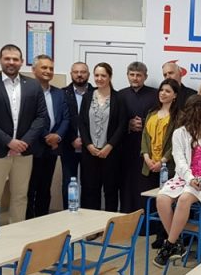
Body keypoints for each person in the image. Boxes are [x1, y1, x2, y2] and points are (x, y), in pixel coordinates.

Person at [154, 95, 201, 267]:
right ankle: (176, 243)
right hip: (185, 177)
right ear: (197, 112)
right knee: (161, 198)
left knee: (184, 199)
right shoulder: (179, 133)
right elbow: (179, 161)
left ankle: (169, 245)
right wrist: (189, 178)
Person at [0, 44, 48, 224]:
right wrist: (9, 142)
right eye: (7, 58)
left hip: (24, 151)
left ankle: (17, 234)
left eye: (15, 59)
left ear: (21, 62)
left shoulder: (33, 85)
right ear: (0, 60)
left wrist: (23, 142)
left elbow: (41, 117)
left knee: (20, 196)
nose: (11, 62)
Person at [26, 55, 69, 218]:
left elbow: (66, 118)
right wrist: (47, 137)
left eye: (51, 68)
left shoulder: (59, 93)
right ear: (34, 70)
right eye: (44, 67)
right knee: (30, 188)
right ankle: (29, 222)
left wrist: (57, 136)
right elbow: (30, 119)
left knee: (45, 187)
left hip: (52, 148)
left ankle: (42, 220)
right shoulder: (27, 92)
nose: (48, 71)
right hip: (33, 147)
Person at [78, 63, 126, 211]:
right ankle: (91, 223)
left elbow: (122, 125)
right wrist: (88, 145)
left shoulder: (119, 98)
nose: (99, 78)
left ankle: (110, 223)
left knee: (111, 191)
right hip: (90, 153)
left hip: (111, 153)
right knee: (89, 191)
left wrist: (109, 146)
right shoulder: (87, 97)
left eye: (103, 75)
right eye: (97, 75)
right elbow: (82, 123)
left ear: (110, 77)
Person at [141, 79, 180, 249]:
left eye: (168, 91)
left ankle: (168, 237)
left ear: (175, 95)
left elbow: (176, 144)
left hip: (168, 166)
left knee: (167, 201)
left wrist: (162, 161)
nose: (163, 93)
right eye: (162, 90)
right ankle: (157, 233)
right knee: (154, 201)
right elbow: (145, 136)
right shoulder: (152, 113)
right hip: (150, 164)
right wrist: (146, 157)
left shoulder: (179, 116)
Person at [118, 61, 158, 213]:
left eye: (139, 75)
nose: (135, 78)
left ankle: (147, 222)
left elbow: (161, 117)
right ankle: (127, 219)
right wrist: (128, 125)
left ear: (145, 77)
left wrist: (144, 122)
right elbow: (114, 121)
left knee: (146, 186)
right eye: (132, 75)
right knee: (126, 185)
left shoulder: (155, 95)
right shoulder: (120, 95)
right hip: (125, 148)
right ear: (127, 75)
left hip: (148, 150)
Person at [61, 62, 93, 208]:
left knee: (89, 184)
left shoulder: (97, 93)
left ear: (88, 74)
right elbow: (61, 119)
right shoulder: (62, 93)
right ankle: (68, 213)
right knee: (68, 183)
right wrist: (72, 139)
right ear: (71, 74)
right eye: (76, 72)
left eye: (83, 72)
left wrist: (86, 141)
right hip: (69, 146)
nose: (79, 75)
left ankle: (88, 215)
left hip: (91, 147)